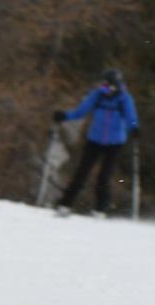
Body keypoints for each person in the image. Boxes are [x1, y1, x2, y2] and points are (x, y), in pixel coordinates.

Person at [51, 68, 139, 218]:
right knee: (82, 172)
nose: (105, 89)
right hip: (95, 140)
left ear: (116, 85)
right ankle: (65, 205)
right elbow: (81, 111)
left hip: (115, 143)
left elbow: (131, 117)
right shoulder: (97, 95)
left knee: (104, 176)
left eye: (108, 86)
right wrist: (65, 116)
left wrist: (134, 128)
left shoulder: (124, 98)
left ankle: (100, 209)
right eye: (103, 85)